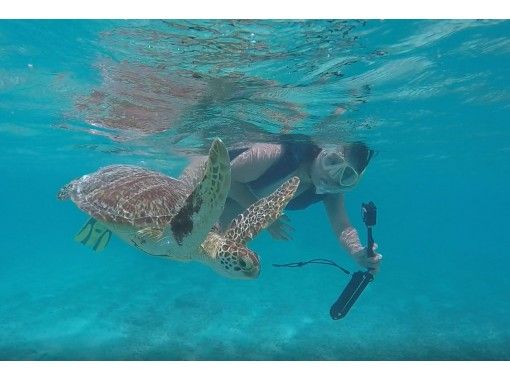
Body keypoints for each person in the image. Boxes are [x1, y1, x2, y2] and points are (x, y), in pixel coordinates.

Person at [184, 135, 382, 274]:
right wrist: (266, 217)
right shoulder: (276, 154)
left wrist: (357, 252)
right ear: (322, 151)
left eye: (345, 176)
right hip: (208, 175)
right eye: (331, 162)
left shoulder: (331, 191)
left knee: (212, 245)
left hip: (238, 199)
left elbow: (342, 226)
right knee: (176, 217)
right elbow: (227, 179)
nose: (331, 177)